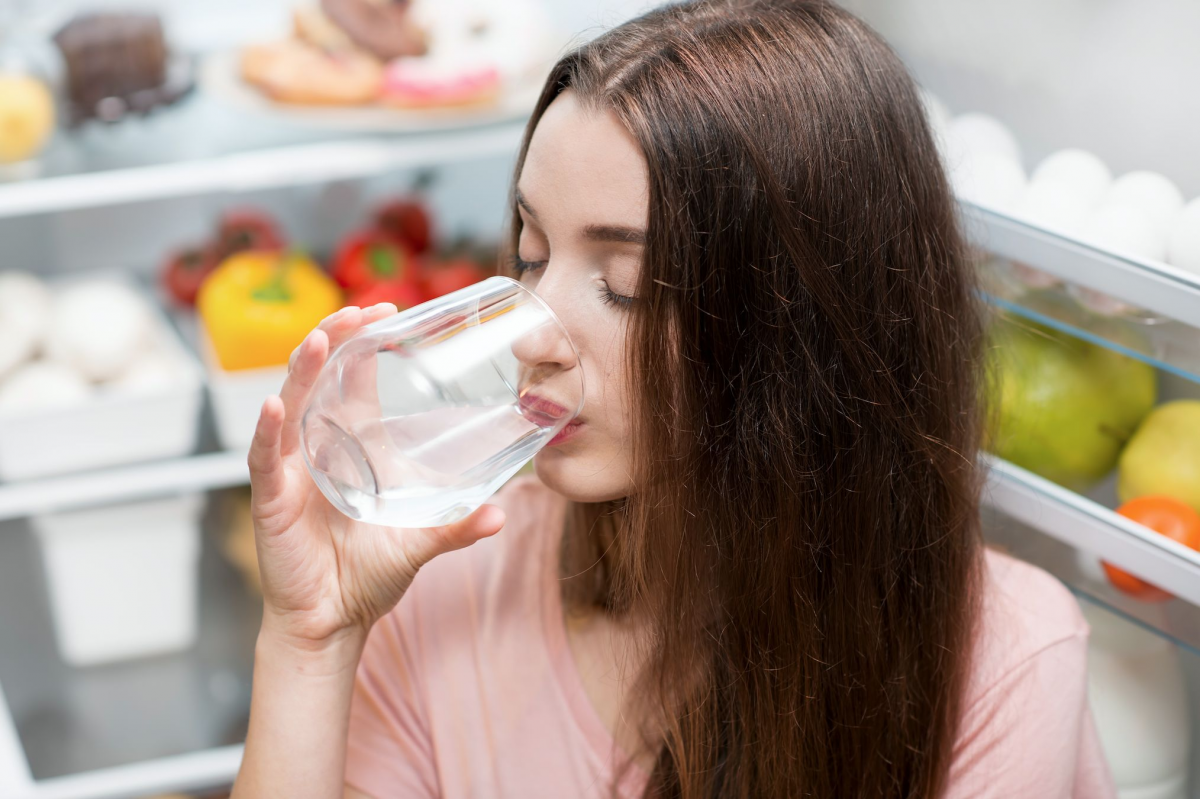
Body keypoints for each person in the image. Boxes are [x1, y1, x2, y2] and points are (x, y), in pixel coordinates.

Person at [231, 1, 1116, 797]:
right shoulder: (448, 578)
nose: (533, 333)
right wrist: (309, 639)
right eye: (532, 253)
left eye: (627, 283)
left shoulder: (1004, 662)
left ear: (804, 332)